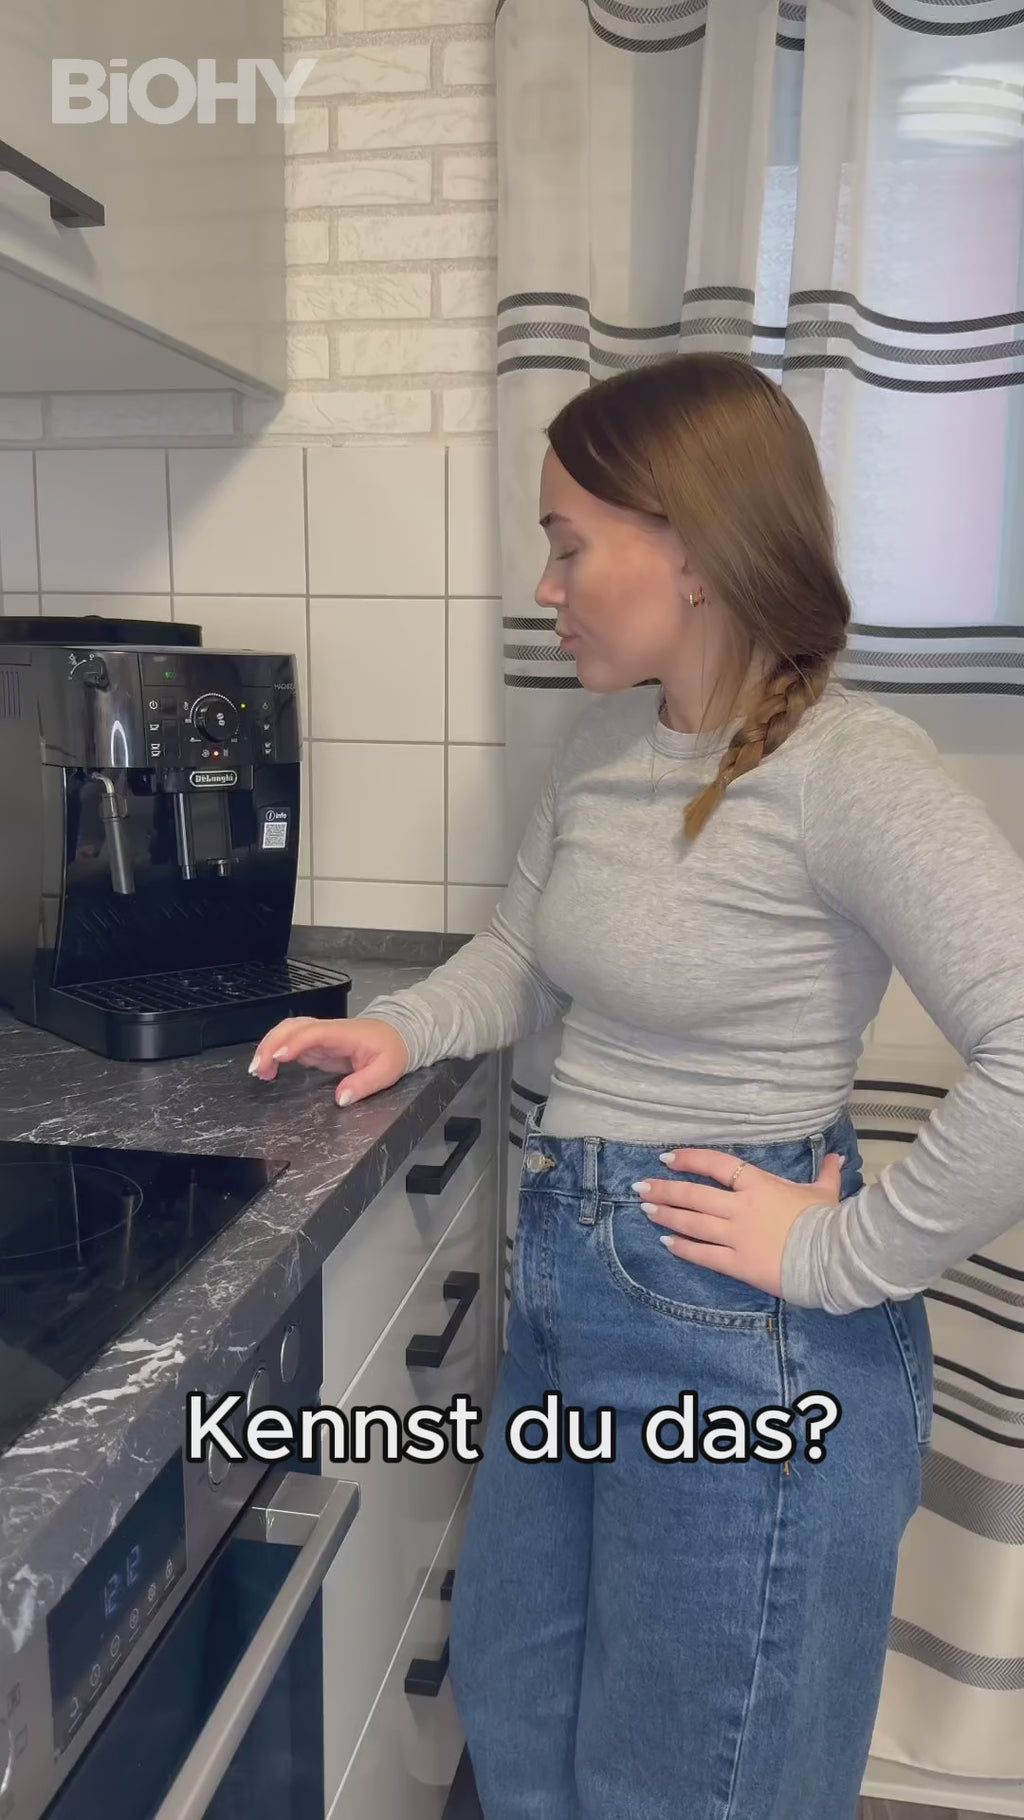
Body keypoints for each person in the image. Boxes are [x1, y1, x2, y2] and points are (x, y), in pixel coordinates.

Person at [249, 353, 1024, 1819]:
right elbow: (520, 954)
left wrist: (840, 1253)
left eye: (567, 544)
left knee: (689, 1784)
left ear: (695, 550)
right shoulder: (605, 740)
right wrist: (401, 1029)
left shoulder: (853, 771)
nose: (545, 587)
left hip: (744, 1338)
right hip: (570, 1297)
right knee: (520, 1717)